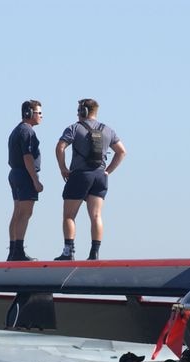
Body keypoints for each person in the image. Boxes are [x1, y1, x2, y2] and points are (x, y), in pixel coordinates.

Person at [54, 98, 126, 260]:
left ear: (83, 112)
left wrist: (63, 168)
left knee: (69, 216)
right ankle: (94, 253)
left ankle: (68, 252)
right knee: (96, 215)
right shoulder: (108, 130)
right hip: (100, 177)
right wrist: (108, 171)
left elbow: (60, 147)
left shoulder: (74, 128)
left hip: (80, 175)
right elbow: (122, 151)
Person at [7, 100, 44, 261]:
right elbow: (28, 157)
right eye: (39, 113)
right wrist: (35, 180)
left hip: (16, 174)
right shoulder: (27, 132)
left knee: (17, 212)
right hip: (24, 175)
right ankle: (18, 251)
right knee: (25, 213)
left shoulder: (17, 130)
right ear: (29, 113)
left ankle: (13, 249)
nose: (41, 116)